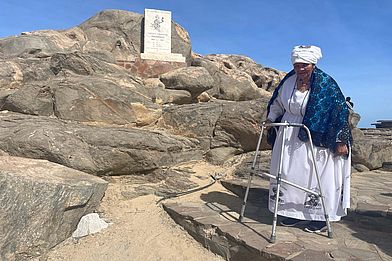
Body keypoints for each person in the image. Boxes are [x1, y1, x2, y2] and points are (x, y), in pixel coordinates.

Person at [264, 45, 352, 233]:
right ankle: (290, 212)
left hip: (314, 136)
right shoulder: (288, 82)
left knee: (315, 175)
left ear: (312, 64)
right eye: (297, 65)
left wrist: (341, 139)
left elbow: (340, 112)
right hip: (288, 134)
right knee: (287, 173)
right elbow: (278, 103)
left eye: (304, 65)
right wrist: (270, 119)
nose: (300, 69)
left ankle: (319, 217)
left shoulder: (326, 84)